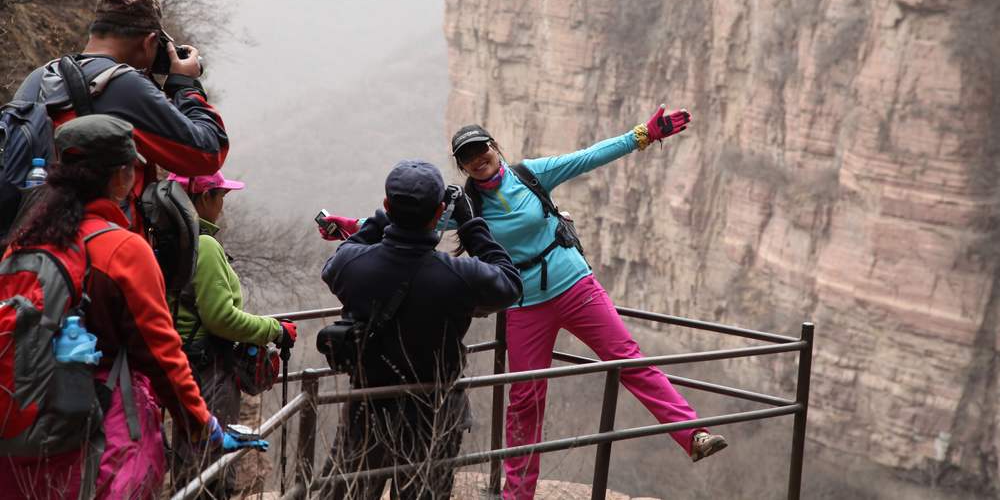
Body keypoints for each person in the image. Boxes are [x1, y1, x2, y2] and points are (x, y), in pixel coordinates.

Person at [320, 106, 728, 499]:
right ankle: (518, 495)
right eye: (467, 156)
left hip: (574, 284)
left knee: (627, 357)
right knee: (524, 399)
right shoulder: (466, 207)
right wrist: (351, 227)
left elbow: (588, 157)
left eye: (482, 149)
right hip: (525, 303)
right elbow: (404, 219)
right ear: (461, 167)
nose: (478, 159)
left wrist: (643, 134)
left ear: (495, 147)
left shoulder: (531, 175)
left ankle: (692, 434)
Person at [0, 115, 224, 499]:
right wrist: (199, 422)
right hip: (99, 439)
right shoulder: (122, 248)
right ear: (122, 175)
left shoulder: (25, 241)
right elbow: (160, 352)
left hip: (18, 437)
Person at [319, 160, 522, 500]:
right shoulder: (458, 276)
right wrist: (472, 225)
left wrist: (380, 221)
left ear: (387, 206)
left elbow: (340, 257)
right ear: (440, 211)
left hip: (367, 403)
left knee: (350, 490)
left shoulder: (352, 266)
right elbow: (509, 282)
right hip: (434, 408)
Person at [13, 0, 228, 235]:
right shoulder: (120, 85)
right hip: (97, 250)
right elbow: (207, 153)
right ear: (149, 41)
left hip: (29, 239)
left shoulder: (40, 77)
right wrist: (187, 87)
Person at [165, 171, 298, 498]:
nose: (223, 205)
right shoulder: (204, 245)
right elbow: (220, 317)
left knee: (190, 459)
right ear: (203, 198)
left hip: (183, 364)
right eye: (220, 196)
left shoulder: (172, 239)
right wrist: (274, 329)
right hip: (208, 368)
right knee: (212, 466)